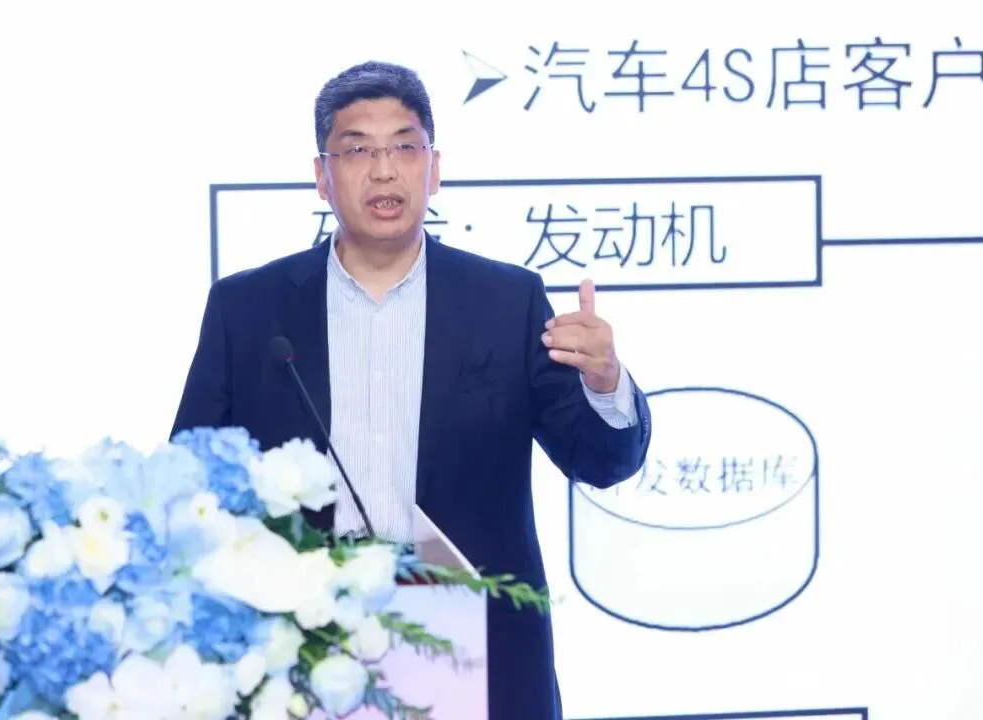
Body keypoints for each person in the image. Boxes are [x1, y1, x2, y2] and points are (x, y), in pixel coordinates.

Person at [171, 60, 652, 720]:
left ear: (434, 167)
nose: (384, 170)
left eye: (404, 147)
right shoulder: (248, 309)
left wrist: (604, 381)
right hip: (299, 651)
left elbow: (599, 461)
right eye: (357, 151)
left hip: (473, 650)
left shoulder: (506, 301)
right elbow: (193, 479)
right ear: (322, 177)